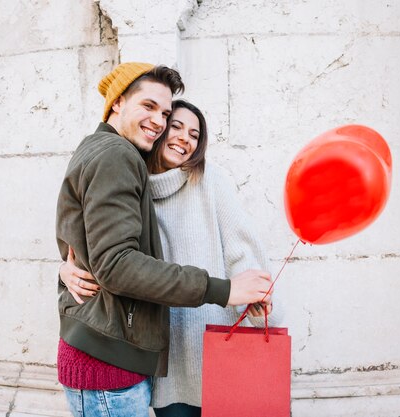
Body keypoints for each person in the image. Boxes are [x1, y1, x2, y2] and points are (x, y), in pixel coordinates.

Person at [55, 63, 274, 417]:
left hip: (173, 353)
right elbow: (114, 262)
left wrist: (250, 293)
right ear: (117, 104)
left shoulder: (128, 163)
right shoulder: (118, 157)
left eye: (165, 113)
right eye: (150, 108)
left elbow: (93, 244)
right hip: (116, 360)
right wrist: (66, 269)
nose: (160, 122)